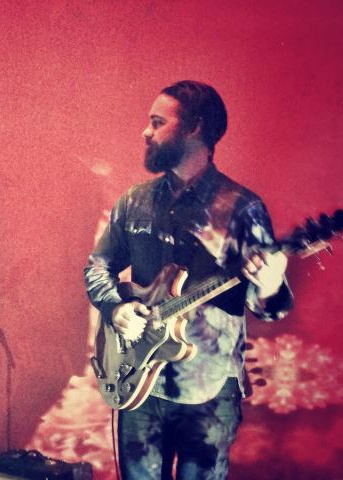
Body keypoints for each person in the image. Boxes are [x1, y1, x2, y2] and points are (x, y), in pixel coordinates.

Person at [84, 80, 293, 479]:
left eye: (157, 122)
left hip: (208, 388)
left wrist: (269, 284)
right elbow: (98, 266)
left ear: (194, 127)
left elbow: (268, 306)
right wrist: (116, 308)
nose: (146, 132)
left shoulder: (242, 208)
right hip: (138, 382)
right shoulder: (134, 200)